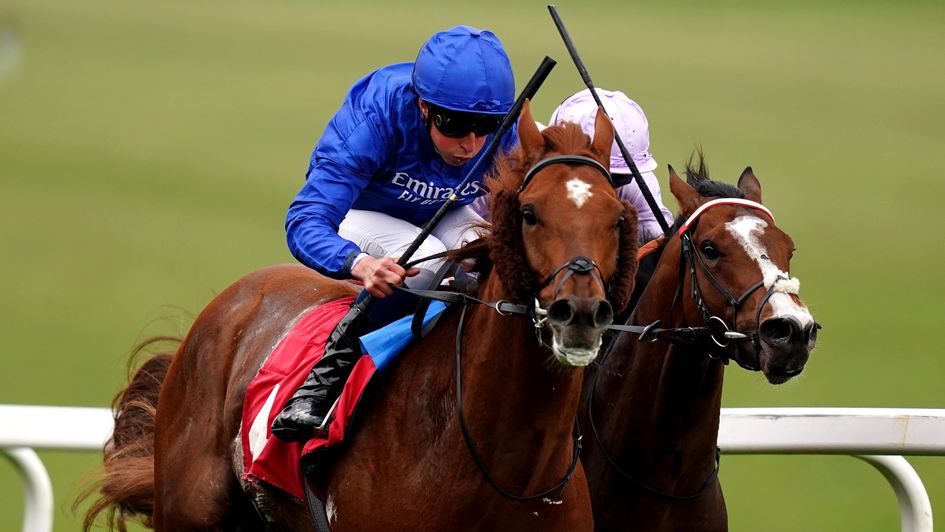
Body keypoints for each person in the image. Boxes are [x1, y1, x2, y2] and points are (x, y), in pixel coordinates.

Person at [271, 25, 518, 442]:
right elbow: (305, 219)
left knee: (477, 256)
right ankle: (326, 377)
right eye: (455, 125)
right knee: (427, 261)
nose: (472, 144)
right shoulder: (377, 117)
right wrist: (358, 262)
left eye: (486, 126)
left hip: (440, 213)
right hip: (360, 214)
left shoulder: (504, 134)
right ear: (423, 107)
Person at [548, 89, 673, 243]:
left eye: (621, 179)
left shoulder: (638, 184)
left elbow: (659, 238)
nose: (611, 189)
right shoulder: (521, 168)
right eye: (597, 176)